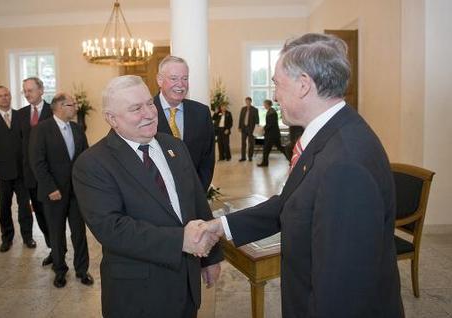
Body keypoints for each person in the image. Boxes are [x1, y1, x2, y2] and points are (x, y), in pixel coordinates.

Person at [203, 33, 404, 317]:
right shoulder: (331, 135)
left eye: (277, 84)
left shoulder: (345, 164)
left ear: (303, 85)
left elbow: (342, 293)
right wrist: (221, 226)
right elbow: (290, 203)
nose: (274, 95)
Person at [72, 75, 223, 318]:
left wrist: (211, 257)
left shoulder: (174, 146)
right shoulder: (92, 164)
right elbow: (112, 229)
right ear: (112, 119)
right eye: (136, 108)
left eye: (149, 103)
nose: (150, 113)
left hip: (186, 283)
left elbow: (196, 202)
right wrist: (179, 240)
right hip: (138, 294)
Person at [29, 92, 92, 288]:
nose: (75, 108)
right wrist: (50, 188)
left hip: (76, 193)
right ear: (59, 107)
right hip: (53, 192)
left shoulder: (77, 128)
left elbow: (85, 159)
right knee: (56, 233)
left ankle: (82, 270)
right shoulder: (42, 129)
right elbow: (37, 163)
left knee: (79, 233)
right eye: (71, 105)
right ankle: (60, 270)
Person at [153, 55, 215, 191]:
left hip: (194, 192)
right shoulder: (146, 112)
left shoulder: (201, 113)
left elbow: (207, 159)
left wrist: (198, 191)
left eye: (185, 78)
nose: (180, 84)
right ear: (160, 80)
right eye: (174, 78)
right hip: (157, 196)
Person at [0, 86, 34, 252]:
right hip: (2, 173)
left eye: (7, 95)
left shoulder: (21, 116)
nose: (4, 98)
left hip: (22, 171)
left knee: (24, 206)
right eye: (0, 96)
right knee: (4, 207)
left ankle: (28, 237)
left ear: (11, 96)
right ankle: (6, 238)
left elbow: (28, 143)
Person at [19, 77, 53, 266]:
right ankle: (52, 248)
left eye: (30, 90)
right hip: (30, 175)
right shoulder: (21, 114)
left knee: (52, 215)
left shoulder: (52, 111)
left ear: (41, 90)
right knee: (39, 213)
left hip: (49, 174)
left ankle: (58, 250)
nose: (27, 94)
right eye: (25, 90)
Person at [257, 99, 287, 167]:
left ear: (267, 104)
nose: (264, 105)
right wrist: (264, 127)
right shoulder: (271, 111)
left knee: (267, 149)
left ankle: (291, 158)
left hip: (272, 135)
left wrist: (263, 128)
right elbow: (269, 123)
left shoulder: (272, 112)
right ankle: (265, 163)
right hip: (273, 134)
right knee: (277, 148)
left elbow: (271, 124)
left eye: (264, 104)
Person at [238, 97, 259, 162]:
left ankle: (250, 157)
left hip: (251, 129)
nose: (247, 102)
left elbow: (257, 120)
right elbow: (241, 118)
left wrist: (256, 129)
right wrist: (239, 127)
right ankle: (243, 157)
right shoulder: (243, 109)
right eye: (246, 101)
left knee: (251, 143)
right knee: (243, 143)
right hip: (244, 128)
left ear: (250, 101)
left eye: (248, 101)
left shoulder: (255, 110)